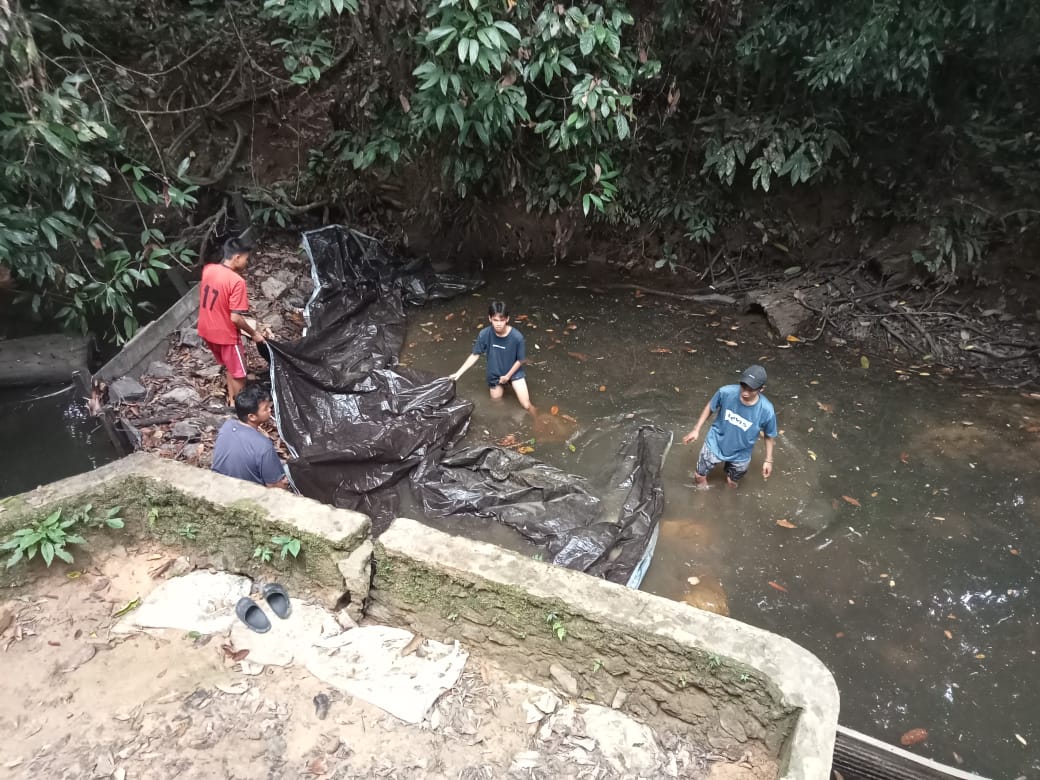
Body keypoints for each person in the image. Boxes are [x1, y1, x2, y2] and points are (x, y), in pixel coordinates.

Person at [681, 364, 777, 488]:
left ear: (761, 389)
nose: (745, 392)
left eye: (751, 389)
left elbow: (769, 436)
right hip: (715, 442)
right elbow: (710, 407)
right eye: (743, 386)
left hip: (741, 453)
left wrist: (768, 460)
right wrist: (696, 429)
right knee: (699, 476)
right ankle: (702, 498)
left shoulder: (767, 410)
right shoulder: (726, 392)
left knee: (732, 483)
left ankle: (726, 498)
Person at [197, 236, 265, 404]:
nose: (246, 263)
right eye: (246, 259)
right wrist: (254, 334)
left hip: (206, 330)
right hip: (225, 335)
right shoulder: (237, 282)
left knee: (230, 366)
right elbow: (235, 318)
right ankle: (241, 408)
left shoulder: (209, 269)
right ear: (237, 258)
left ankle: (232, 401)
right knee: (240, 374)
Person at [449, 300, 532, 410]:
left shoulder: (517, 337)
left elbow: (520, 360)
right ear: (490, 319)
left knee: (526, 405)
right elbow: (475, 355)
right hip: (495, 375)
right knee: (496, 402)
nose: (498, 324)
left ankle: (537, 417)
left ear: (507, 319)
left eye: (502, 320)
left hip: (514, 372)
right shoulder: (484, 334)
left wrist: (507, 377)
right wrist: (458, 373)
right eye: (495, 320)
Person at [211, 383, 288, 489]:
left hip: (218, 487)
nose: (270, 410)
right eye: (265, 408)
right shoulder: (264, 446)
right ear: (252, 417)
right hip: (246, 495)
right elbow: (275, 488)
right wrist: (283, 483)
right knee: (287, 470)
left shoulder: (227, 426)